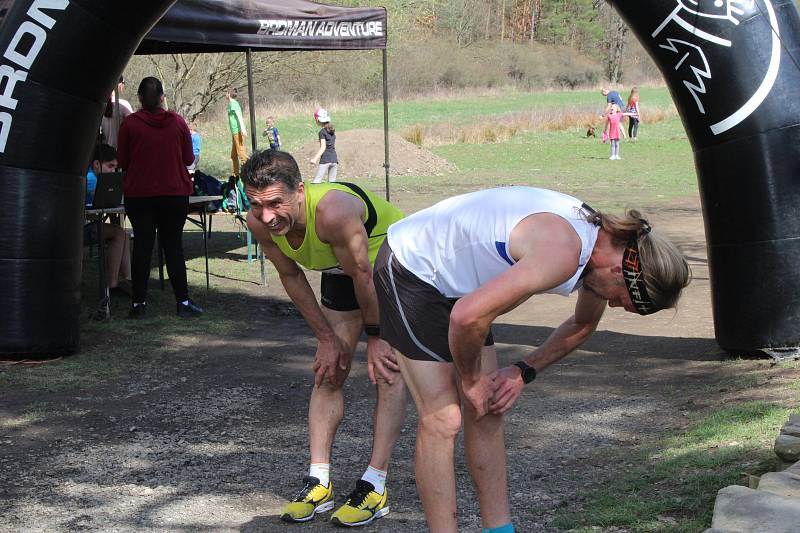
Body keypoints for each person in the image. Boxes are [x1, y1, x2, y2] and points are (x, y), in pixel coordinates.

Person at [372, 186, 691, 533]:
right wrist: (470, 379)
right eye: (621, 300)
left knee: (488, 405)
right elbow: (466, 318)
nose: (613, 305)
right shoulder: (564, 252)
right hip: (413, 266)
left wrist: (523, 371)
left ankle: (500, 529)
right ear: (622, 272)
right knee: (443, 418)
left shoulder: (604, 251)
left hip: (462, 286)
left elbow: (583, 324)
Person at [241, 149, 407, 527]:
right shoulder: (258, 222)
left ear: (300, 191)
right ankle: (319, 480)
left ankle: (375, 484)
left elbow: (364, 275)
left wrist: (378, 336)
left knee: (387, 369)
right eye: (256, 204)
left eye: (275, 203)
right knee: (329, 369)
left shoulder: (333, 213)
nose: (266, 216)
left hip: (389, 263)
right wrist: (326, 339)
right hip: (343, 265)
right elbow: (292, 276)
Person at [117, 76, 203, 319]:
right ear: (163, 97)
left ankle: (139, 304)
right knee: (173, 246)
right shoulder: (177, 122)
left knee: (142, 246)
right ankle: (183, 302)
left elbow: (122, 160)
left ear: (141, 99)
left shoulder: (131, 125)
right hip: (174, 194)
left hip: (140, 194)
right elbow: (188, 159)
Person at [85, 143, 131, 295]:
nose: (113, 171)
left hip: (86, 224)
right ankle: (113, 285)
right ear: (97, 164)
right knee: (118, 233)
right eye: (110, 166)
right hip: (79, 229)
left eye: (115, 168)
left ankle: (125, 280)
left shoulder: (93, 176)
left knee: (122, 233)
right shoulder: (91, 179)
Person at [100, 76, 133, 149]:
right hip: (119, 150)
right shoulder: (124, 105)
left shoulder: (100, 105)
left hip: (104, 151)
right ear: (120, 84)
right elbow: (133, 127)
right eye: (124, 83)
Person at [310, 108, 338, 184]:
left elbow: (323, 148)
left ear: (318, 120)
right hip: (334, 159)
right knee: (332, 184)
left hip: (326, 159)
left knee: (316, 182)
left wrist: (315, 159)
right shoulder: (331, 130)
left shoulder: (322, 132)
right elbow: (330, 143)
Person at [227, 88, 248, 176]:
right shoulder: (231, 103)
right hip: (234, 133)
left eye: (226, 93)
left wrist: (243, 129)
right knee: (233, 155)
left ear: (229, 94)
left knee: (242, 155)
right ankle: (236, 175)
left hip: (238, 132)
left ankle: (248, 174)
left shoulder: (233, 103)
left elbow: (239, 116)